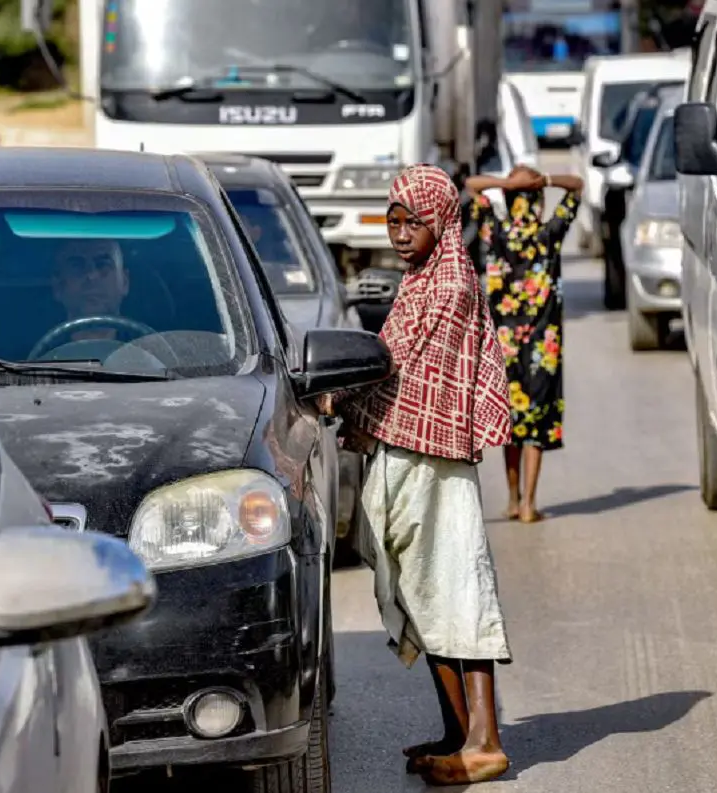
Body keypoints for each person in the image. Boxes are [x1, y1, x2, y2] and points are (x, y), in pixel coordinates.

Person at [316, 164, 514, 786]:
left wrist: (338, 397)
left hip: (433, 460)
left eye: (413, 222)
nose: (400, 234)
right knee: (423, 591)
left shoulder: (447, 286)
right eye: (392, 222)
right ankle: (460, 733)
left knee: (454, 590)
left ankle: (485, 742)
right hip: (409, 456)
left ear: (442, 222)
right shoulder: (422, 277)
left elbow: (396, 367)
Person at [465, 165, 583, 523]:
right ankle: (530, 502)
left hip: (504, 346)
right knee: (536, 423)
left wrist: (504, 183)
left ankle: (514, 499)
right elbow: (576, 186)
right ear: (537, 200)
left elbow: (471, 185)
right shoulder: (550, 234)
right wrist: (544, 179)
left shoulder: (495, 233)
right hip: (543, 348)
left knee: (512, 424)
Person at [50, 238, 130, 343]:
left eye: (103, 264)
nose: (91, 275)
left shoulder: (150, 355)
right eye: (77, 266)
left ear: (124, 282)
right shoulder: (31, 357)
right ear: (58, 286)